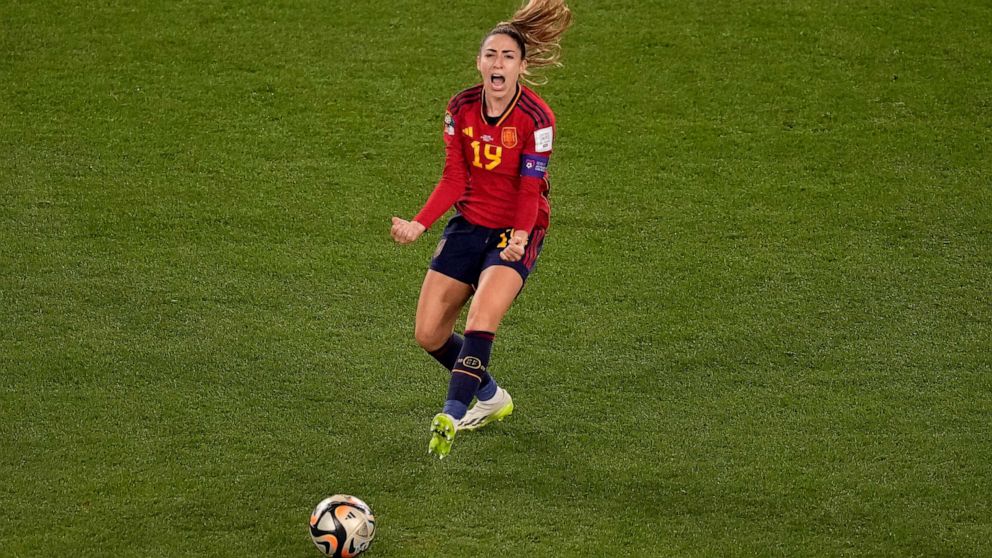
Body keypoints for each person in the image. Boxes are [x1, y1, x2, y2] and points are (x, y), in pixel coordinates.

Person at [390, 0, 572, 459]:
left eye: (508, 56)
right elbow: (455, 177)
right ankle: (491, 396)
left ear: (522, 66)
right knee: (429, 334)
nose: (498, 63)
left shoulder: (537, 118)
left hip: (515, 231)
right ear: (479, 62)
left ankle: (452, 412)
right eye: (490, 54)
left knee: (479, 320)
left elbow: (530, 190)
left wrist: (521, 237)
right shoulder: (460, 108)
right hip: (469, 224)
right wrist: (419, 223)